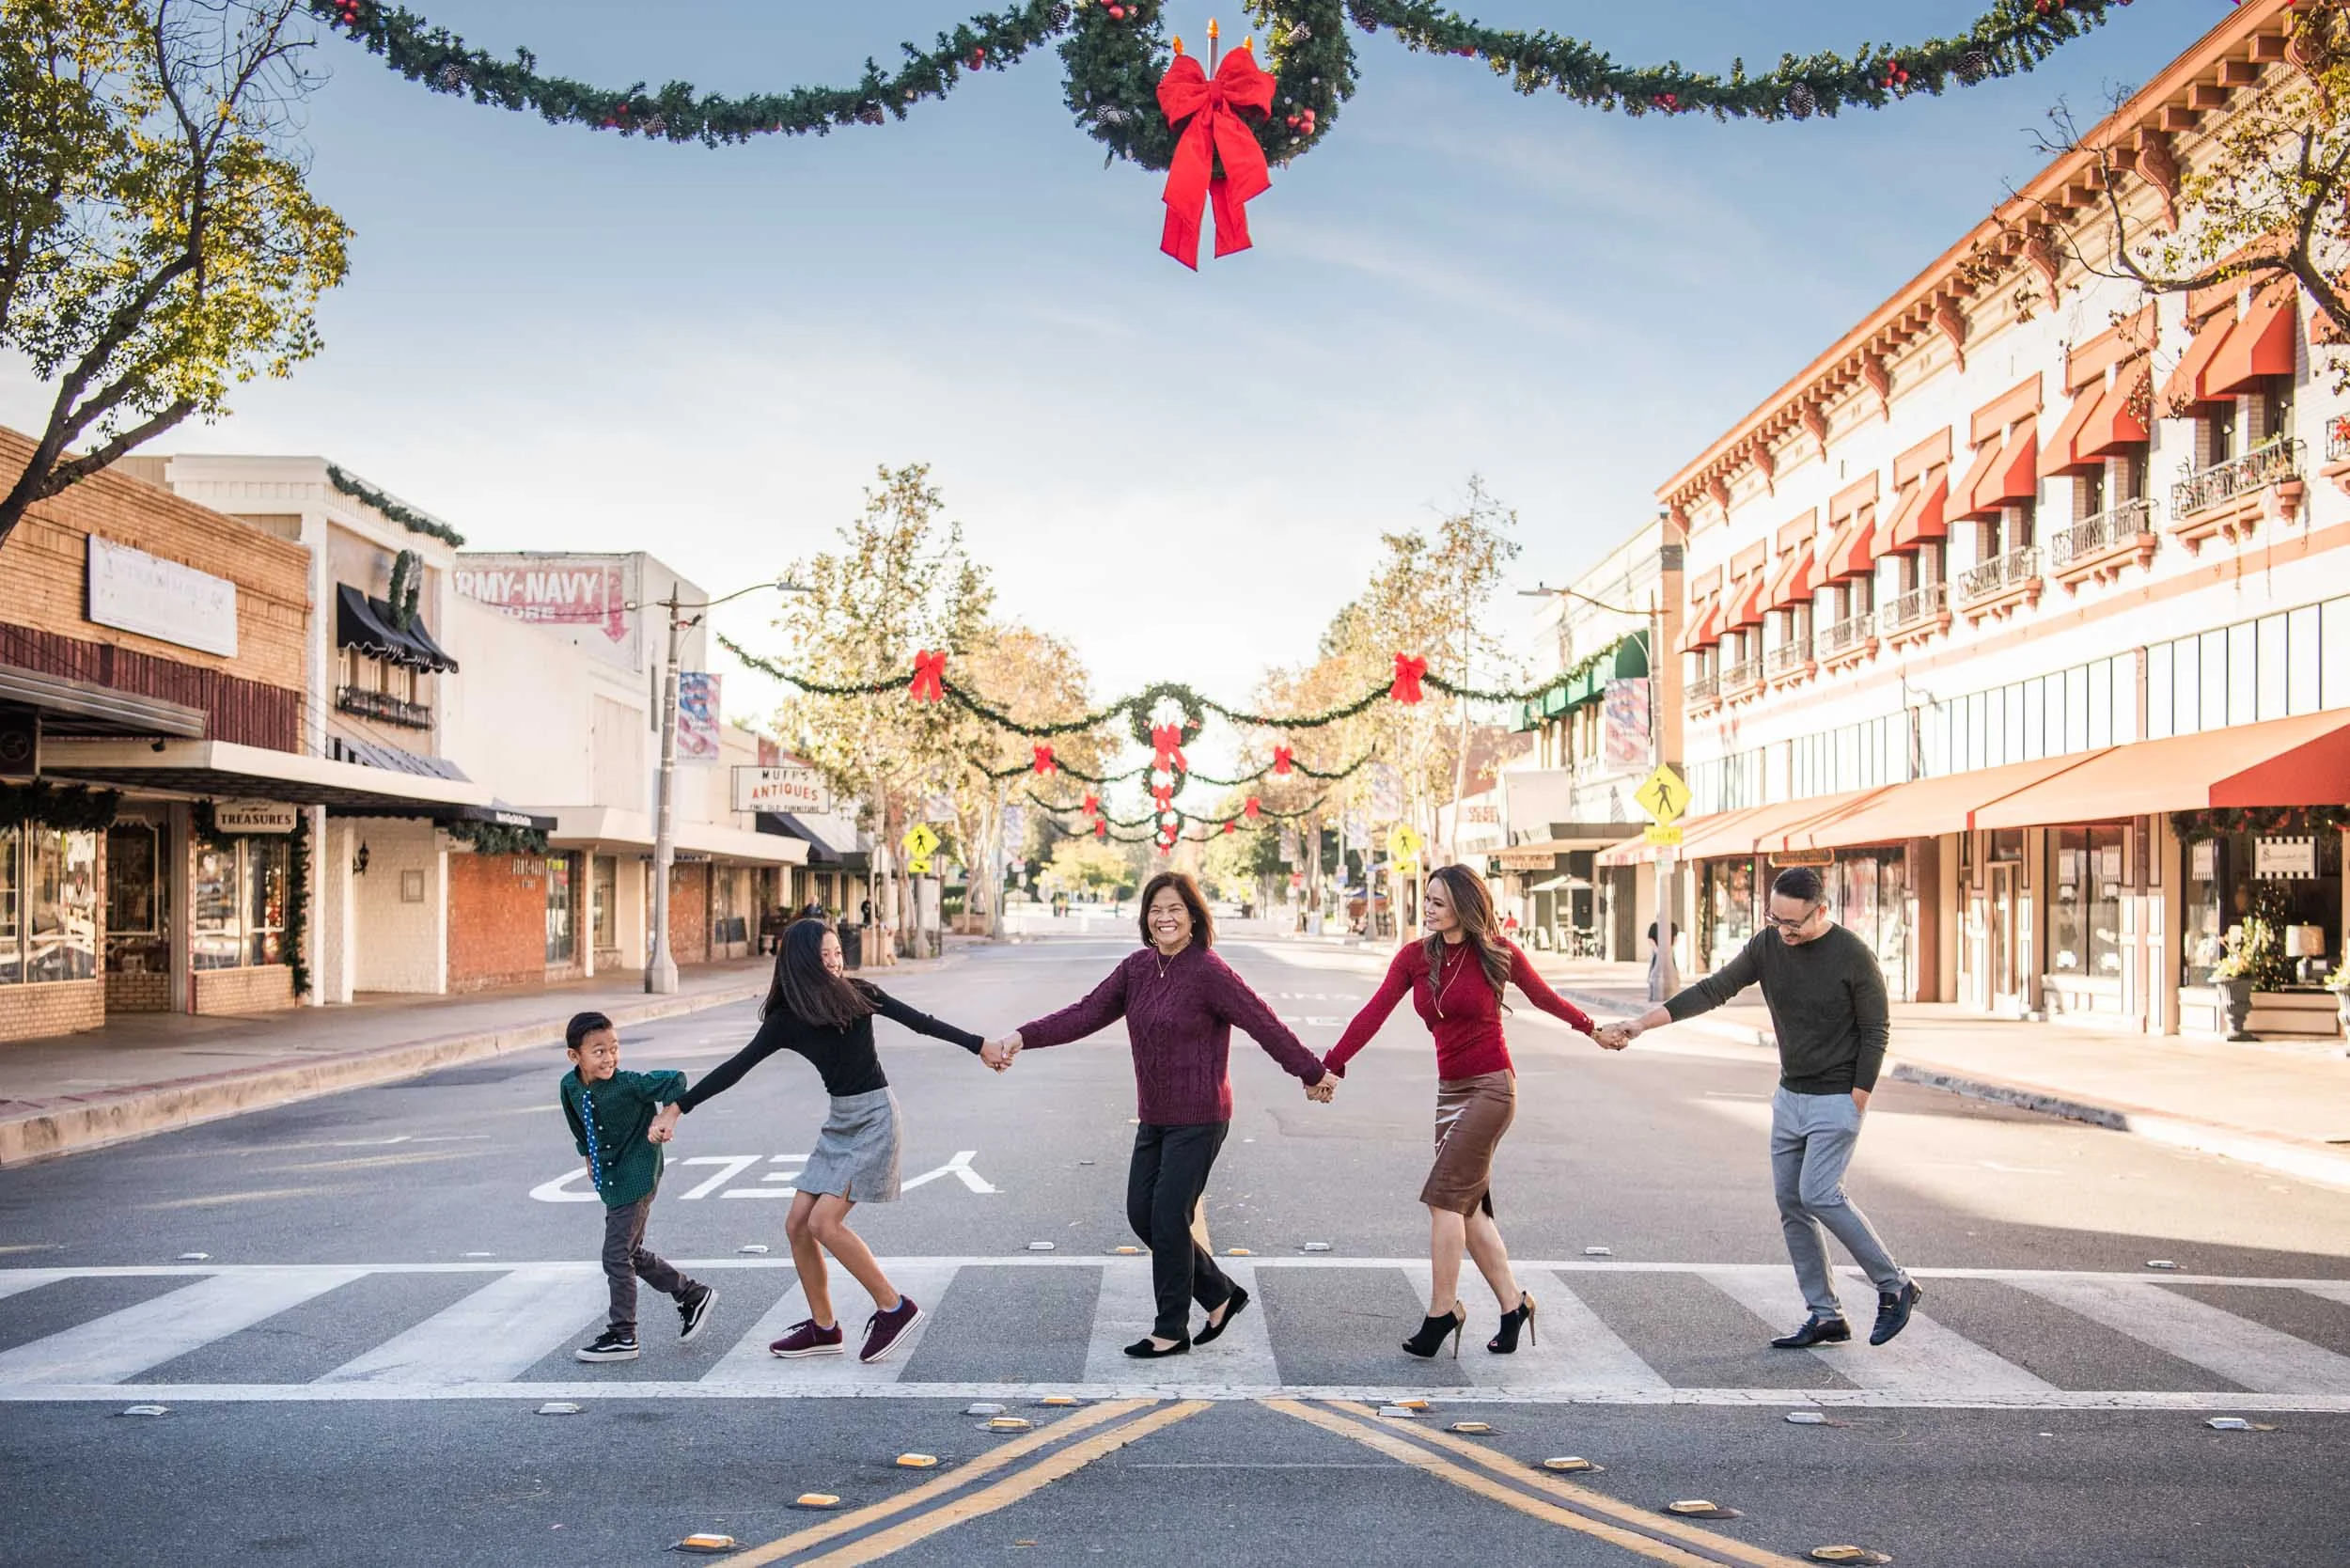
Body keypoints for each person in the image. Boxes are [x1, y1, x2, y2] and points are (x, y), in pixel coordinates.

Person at [986, 871, 1334, 1358]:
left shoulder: (1209, 972)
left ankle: (1171, 1328)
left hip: (1201, 1115)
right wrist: (1022, 1036)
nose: (1164, 918)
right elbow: (1083, 1014)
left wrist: (1309, 1071)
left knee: (1169, 1215)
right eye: (1155, 910)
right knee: (1142, 1214)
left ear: (1193, 916)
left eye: (1174, 909)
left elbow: (1262, 1020)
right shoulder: (1136, 970)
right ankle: (1219, 1294)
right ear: (1146, 919)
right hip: (1154, 1115)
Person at [648, 918, 998, 1364]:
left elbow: (921, 1023)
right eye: (825, 955)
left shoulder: (859, 993)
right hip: (840, 1122)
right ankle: (824, 1328)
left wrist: (980, 1045)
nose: (835, 962)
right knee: (797, 1224)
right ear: (800, 963)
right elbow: (735, 1068)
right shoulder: (786, 1019)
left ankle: (894, 1307)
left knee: (824, 1224)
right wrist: (678, 1106)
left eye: (837, 953)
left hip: (875, 1118)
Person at [1602, 865, 1920, 1350]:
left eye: (1794, 923)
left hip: (1837, 1097)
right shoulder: (1767, 945)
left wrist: (1859, 1096)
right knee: (1792, 1204)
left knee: (1819, 1194)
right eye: (1775, 920)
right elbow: (1714, 989)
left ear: (1822, 912)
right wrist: (1644, 1023)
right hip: (1790, 1095)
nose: (1785, 932)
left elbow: (1876, 1030)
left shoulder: (1853, 955)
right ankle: (1825, 1314)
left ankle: (1894, 1284)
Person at [1322, 864, 1618, 1359]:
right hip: (1450, 1092)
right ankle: (1513, 1305)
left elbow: (1545, 998)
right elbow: (1372, 1013)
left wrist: (1591, 1029)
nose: (1428, 908)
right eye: (1428, 900)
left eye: (1438, 901)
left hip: (1492, 1088)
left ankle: (1441, 1312)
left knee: (1443, 1201)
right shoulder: (1414, 958)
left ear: (1464, 904)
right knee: (1469, 1208)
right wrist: (1332, 1065)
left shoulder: (1498, 954)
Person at [558, 1011, 715, 1363]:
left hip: (638, 1174)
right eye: (598, 1051)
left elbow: (675, 1079)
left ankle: (623, 1334)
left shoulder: (629, 1083)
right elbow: (576, 1121)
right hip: (611, 1178)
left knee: (616, 1255)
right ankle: (692, 1295)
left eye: (614, 1048)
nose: (610, 1057)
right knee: (629, 1251)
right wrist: (587, 1154)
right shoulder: (569, 1086)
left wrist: (665, 1116)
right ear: (575, 1056)